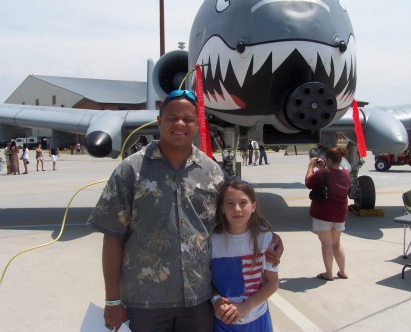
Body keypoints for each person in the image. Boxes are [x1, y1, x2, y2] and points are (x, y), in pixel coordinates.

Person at [87, 89, 285, 332]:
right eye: (172, 118)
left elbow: (236, 213)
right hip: (145, 302)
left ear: (197, 124)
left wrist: (269, 237)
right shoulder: (131, 170)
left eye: (188, 119)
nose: (180, 124)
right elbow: (112, 236)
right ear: (159, 121)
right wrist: (112, 300)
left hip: (199, 302)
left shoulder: (212, 172)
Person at [211, 180, 279, 332]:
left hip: (257, 318)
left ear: (253, 206)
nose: (237, 209)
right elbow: (205, 281)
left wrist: (244, 307)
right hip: (223, 321)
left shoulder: (265, 238)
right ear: (221, 208)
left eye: (243, 203)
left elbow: (273, 283)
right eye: (230, 203)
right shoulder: (211, 240)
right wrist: (216, 301)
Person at [305, 147, 351, 281]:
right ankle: (342, 271)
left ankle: (328, 274)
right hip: (340, 214)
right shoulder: (346, 173)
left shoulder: (322, 173)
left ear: (329, 159)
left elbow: (308, 182)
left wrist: (310, 167)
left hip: (323, 213)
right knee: (336, 243)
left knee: (326, 243)